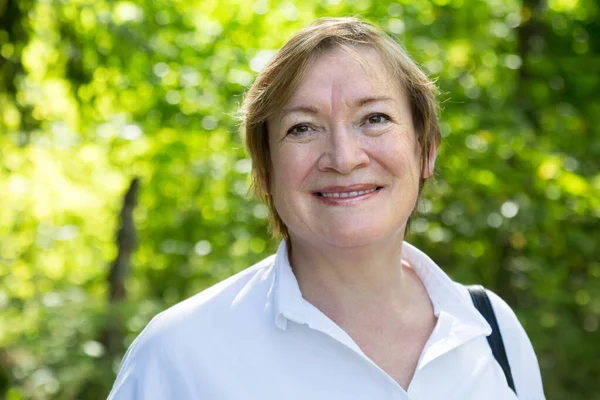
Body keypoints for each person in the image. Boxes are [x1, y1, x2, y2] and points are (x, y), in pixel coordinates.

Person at [108, 17, 545, 399]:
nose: (343, 156)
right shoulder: (180, 355)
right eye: (302, 128)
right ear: (265, 171)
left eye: (374, 118)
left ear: (426, 149)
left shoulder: (491, 332)